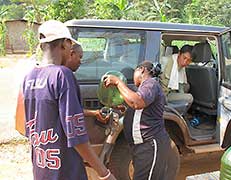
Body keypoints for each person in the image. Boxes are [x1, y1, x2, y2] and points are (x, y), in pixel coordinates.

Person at [20, 20, 116, 180]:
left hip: (42, 169)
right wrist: (104, 173)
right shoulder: (62, 75)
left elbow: (32, 128)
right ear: (65, 44)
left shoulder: (29, 78)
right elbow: (76, 134)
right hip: (65, 172)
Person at [104, 61, 180, 180]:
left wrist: (118, 82)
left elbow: (137, 102)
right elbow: (139, 109)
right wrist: (125, 109)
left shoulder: (151, 84)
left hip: (150, 144)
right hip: (141, 146)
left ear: (142, 70)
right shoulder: (144, 88)